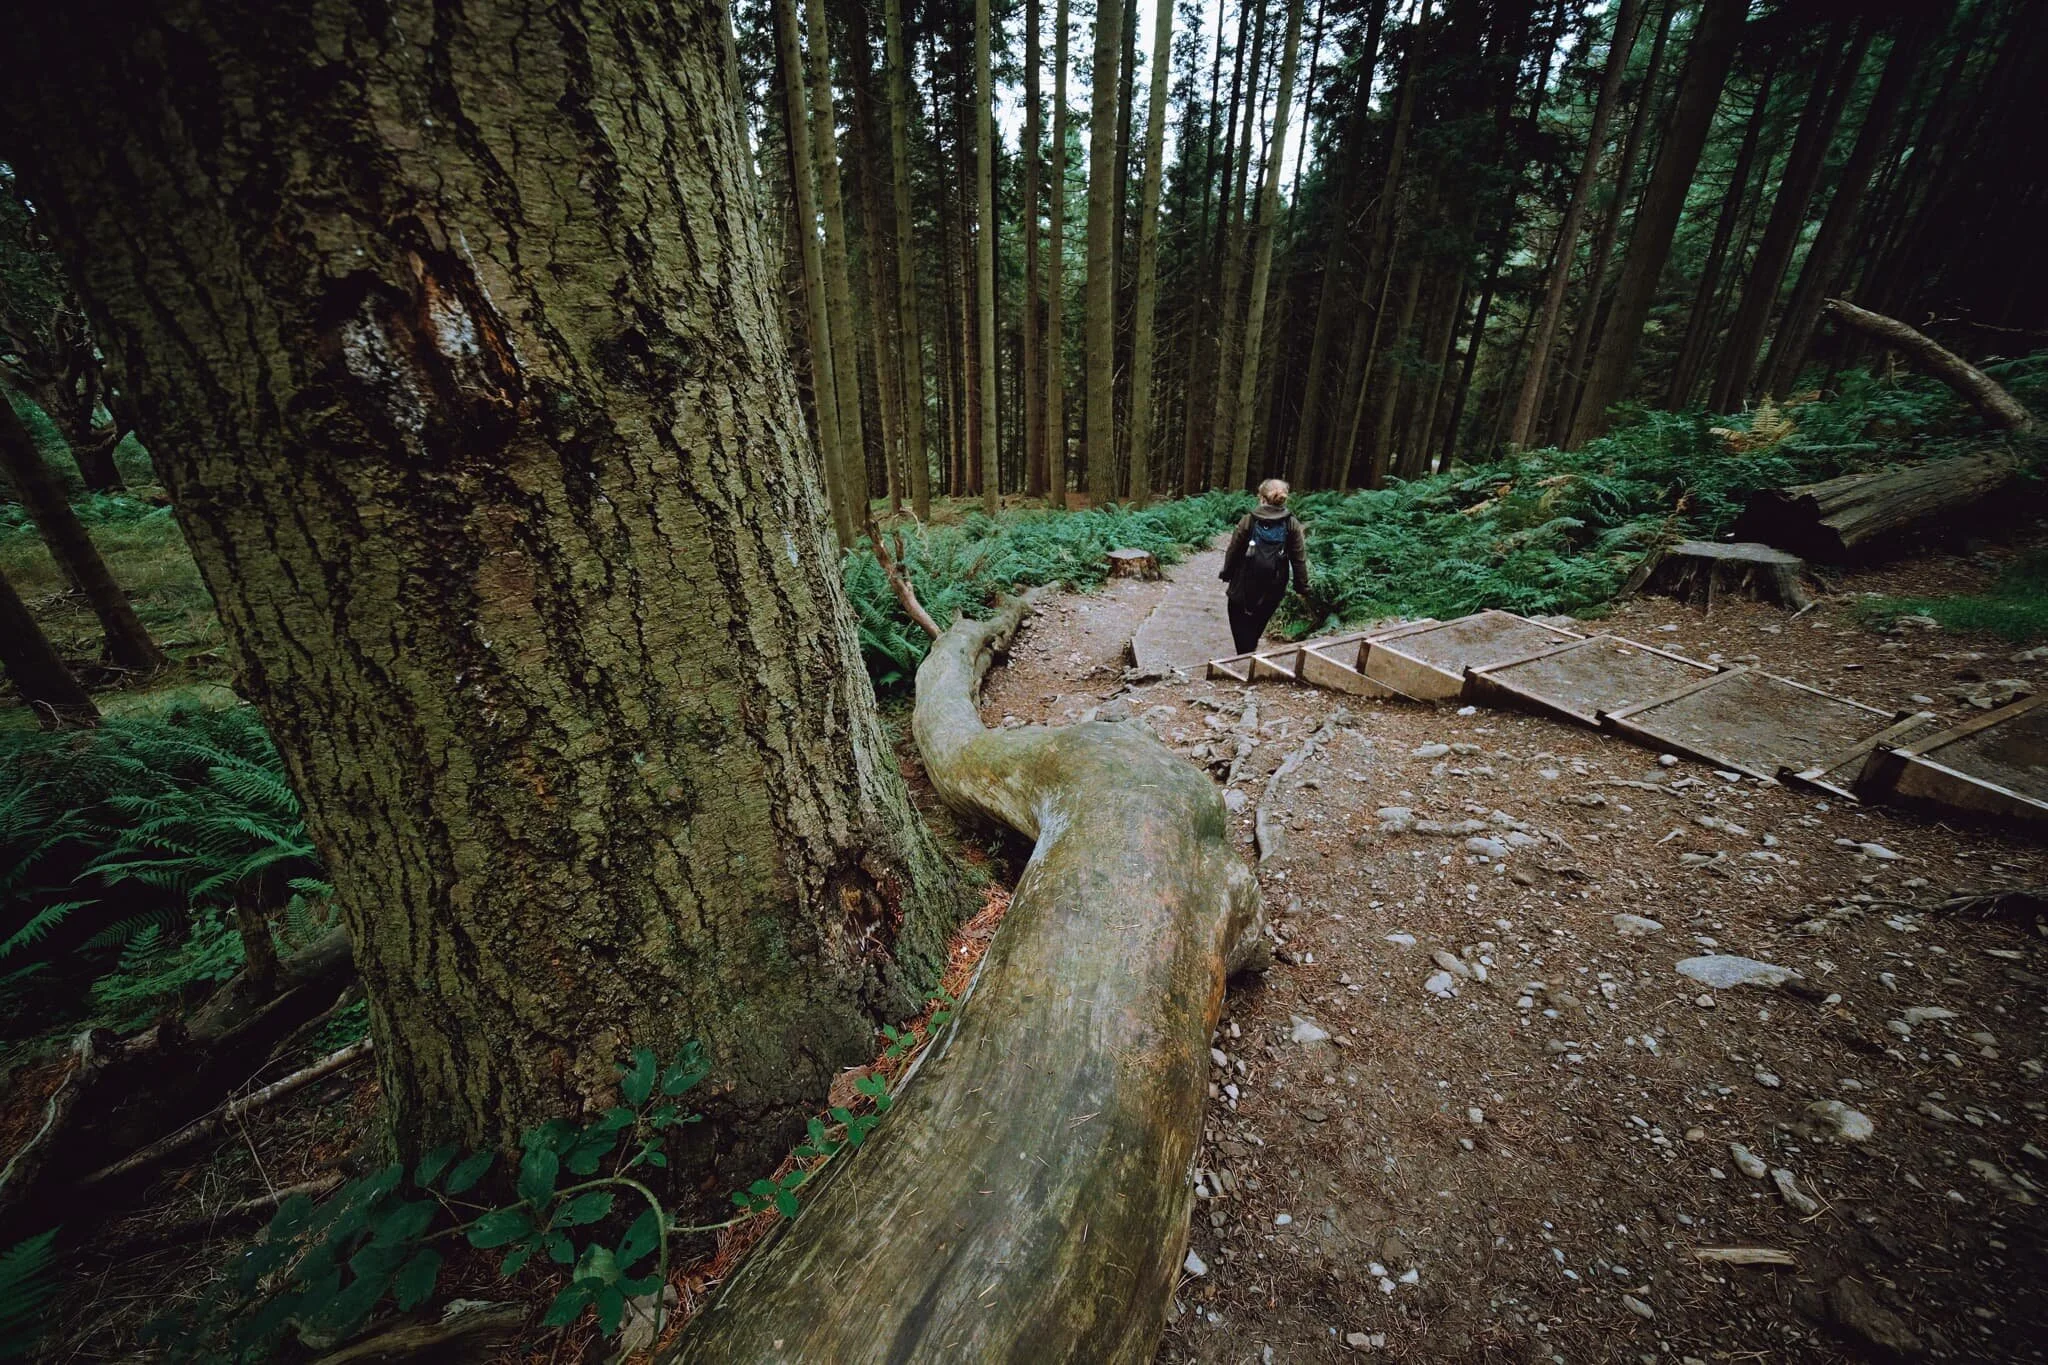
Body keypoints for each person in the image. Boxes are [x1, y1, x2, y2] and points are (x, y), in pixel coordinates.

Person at [1219, 478, 1311, 655]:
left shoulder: (1249, 520)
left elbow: (1234, 550)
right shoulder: (1291, 523)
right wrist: (1302, 587)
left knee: (1238, 618)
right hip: (1274, 585)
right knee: (1258, 622)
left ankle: (1244, 654)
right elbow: (1299, 558)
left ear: (1261, 498)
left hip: (1243, 582)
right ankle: (1249, 653)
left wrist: (1227, 573)